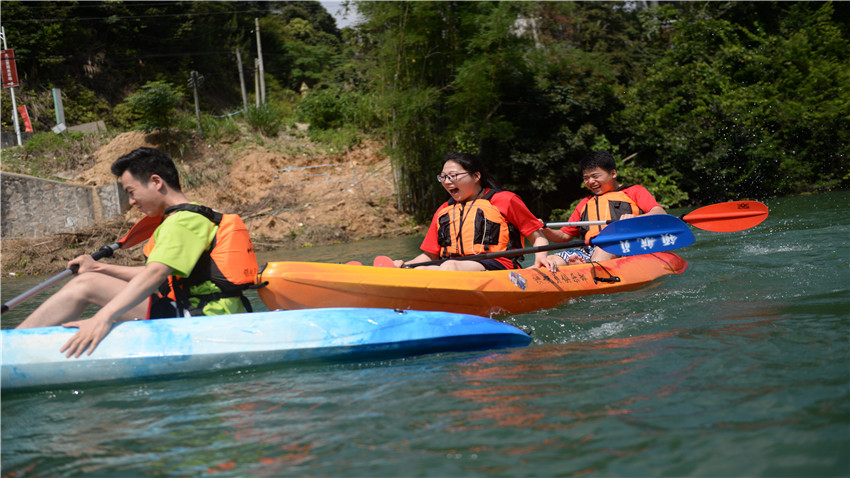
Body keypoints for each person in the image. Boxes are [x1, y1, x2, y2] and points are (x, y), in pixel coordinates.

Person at [16, 147, 257, 357]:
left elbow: (154, 277)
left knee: (86, 285)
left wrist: (103, 317)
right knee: (92, 277)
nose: (131, 201)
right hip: (199, 311)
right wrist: (99, 267)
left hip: (202, 320)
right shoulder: (188, 218)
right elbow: (154, 276)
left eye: (131, 192)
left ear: (156, 182)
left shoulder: (182, 222)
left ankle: (11, 346)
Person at [387, 152, 555, 271]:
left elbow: (537, 237)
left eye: (453, 176)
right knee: (424, 270)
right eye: (443, 177)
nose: (447, 181)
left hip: (499, 266)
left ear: (476, 177)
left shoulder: (505, 200)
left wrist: (541, 258)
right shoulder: (444, 210)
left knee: (449, 266)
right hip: (454, 268)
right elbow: (430, 256)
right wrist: (405, 267)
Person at [541, 151, 667, 266]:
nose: (590, 181)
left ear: (613, 173)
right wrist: (543, 228)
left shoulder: (634, 191)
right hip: (590, 249)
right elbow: (563, 236)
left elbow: (660, 213)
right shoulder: (584, 203)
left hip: (625, 246)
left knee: (603, 250)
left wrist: (635, 218)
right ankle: (581, 266)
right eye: (586, 178)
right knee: (551, 261)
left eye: (595, 176)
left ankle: (586, 268)